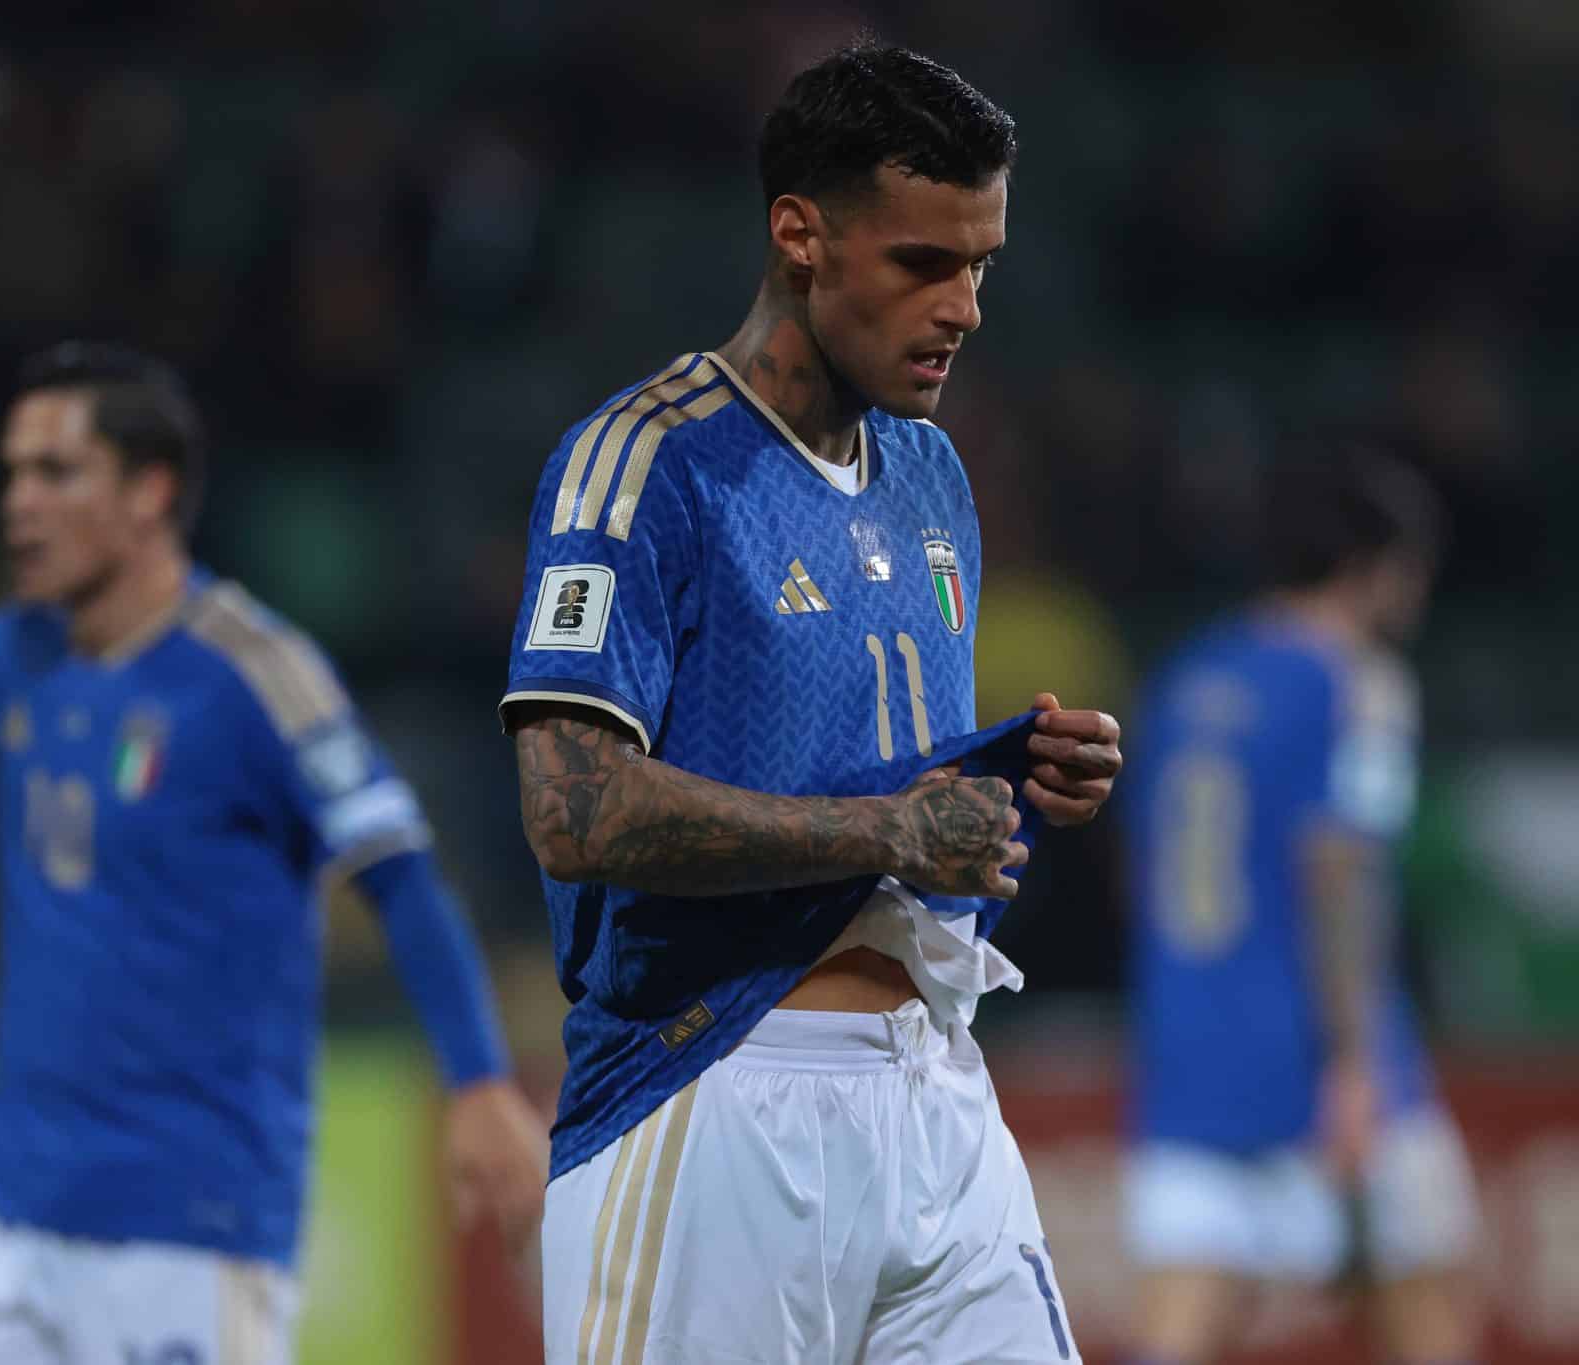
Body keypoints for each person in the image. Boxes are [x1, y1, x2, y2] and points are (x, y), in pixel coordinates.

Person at [0, 342, 547, 1365]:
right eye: (11, 472)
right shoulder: (22, 654)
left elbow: (399, 879)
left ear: (148, 492)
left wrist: (479, 1084)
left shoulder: (254, 675)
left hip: (185, 1229)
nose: (18, 503)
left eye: (54, 472)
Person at [500, 43, 1123, 1364]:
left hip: (937, 1093)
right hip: (712, 1089)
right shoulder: (648, 464)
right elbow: (573, 807)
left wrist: (1008, 770)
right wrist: (886, 835)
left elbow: (876, 771)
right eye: (923, 264)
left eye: (982, 265)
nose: (963, 307)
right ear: (802, 237)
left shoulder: (934, 475)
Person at [1123, 451, 1479, 1365]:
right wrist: (1357, 1065)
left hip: (1191, 1056)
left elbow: (1143, 872)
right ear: (1375, 565)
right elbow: (1341, 873)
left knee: (1174, 1334)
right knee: (1427, 1317)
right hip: (1321, 1059)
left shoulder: (1184, 680)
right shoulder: (1358, 684)